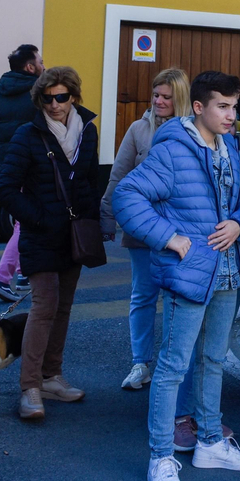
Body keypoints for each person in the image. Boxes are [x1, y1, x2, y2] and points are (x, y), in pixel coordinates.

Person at [114, 70, 240, 481]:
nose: (232, 115)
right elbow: (126, 195)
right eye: (223, 106)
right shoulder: (174, 150)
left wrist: (239, 224)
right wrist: (168, 238)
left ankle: (211, 442)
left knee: (214, 359)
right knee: (173, 367)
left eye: (235, 107)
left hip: (229, 273)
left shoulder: (231, 147)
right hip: (191, 274)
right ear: (198, 107)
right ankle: (161, 456)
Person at [0, 65, 100, 421]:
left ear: (74, 97)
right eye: (47, 98)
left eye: (62, 97)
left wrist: (89, 219)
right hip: (41, 235)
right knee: (45, 305)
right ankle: (30, 387)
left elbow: (87, 181)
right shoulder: (28, 135)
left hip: (72, 236)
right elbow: (5, 189)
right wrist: (38, 217)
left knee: (64, 307)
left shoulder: (87, 131)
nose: (55, 105)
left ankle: (52, 376)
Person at [101, 68, 189, 392]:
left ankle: (172, 364)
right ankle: (141, 363)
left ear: (179, 98)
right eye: (156, 95)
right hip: (142, 227)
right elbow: (118, 175)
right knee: (142, 295)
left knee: (177, 297)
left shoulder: (194, 131)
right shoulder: (139, 129)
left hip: (182, 230)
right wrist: (107, 217)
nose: (159, 101)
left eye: (166, 96)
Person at [0, 44, 42, 302]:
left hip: (7, 161)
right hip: (30, 162)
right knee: (25, 221)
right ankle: (2, 277)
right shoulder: (36, 92)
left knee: (25, 219)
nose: (44, 66)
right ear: (30, 67)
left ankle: (22, 274)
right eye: (40, 62)